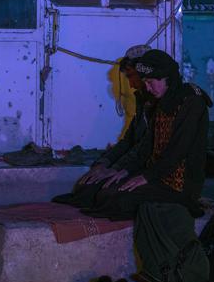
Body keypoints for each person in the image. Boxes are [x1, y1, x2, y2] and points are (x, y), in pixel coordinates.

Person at [81, 49, 213, 221]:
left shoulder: (192, 101)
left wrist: (146, 177)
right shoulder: (161, 101)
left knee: (116, 199)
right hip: (157, 176)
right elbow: (147, 145)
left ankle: (184, 206)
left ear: (167, 78)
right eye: (145, 82)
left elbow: (179, 150)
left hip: (180, 185)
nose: (148, 88)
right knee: (104, 192)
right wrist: (124, 170)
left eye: (151, 82)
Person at [53, 45, 154, 206]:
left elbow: (145, 148)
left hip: (148, 170)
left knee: (106, 193)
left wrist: (118, 169)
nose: (132, 85)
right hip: (134, 163)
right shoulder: (143, 101)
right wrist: (102, 164)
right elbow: (129, 141)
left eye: (132, 77)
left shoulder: (163, 104)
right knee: (85, 184)